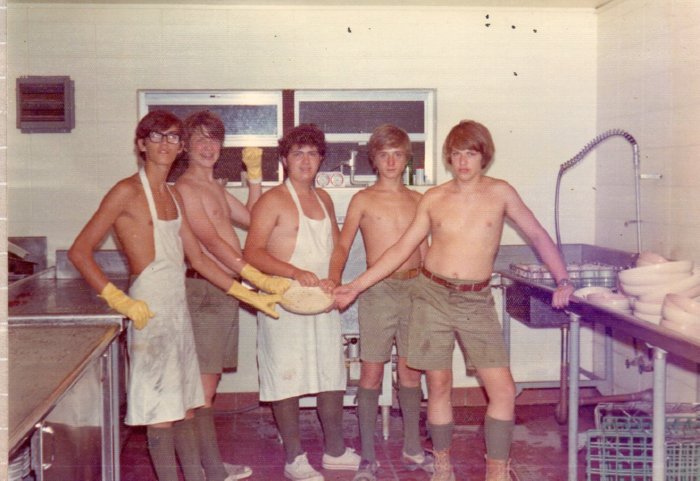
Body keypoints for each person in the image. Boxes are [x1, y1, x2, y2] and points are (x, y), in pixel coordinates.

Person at [334, 120, 575, 481]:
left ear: (484, 157)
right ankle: (442, 465)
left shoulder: (501, 193)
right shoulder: (434, 198)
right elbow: (400, 249)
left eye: (471, 153)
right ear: (449, 157)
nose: (463, 161)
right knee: (439, 384)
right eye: (457, 153)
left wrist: (563, 279)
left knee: (503, 389)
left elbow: (538, 235)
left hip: (475, 301)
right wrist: (355, 287)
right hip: (431, 296)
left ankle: (497, 470)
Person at [68, 110, 282, 481]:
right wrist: (119, 300)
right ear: (141, 144)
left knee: (186, 404)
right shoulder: (126, 191)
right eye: (156, 136)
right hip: (148, 307)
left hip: (177, 306)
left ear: (180, 146)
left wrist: (249, 294)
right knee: (159, 411)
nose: (165, 144)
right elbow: (79, 252)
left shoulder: (172, 195)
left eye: (172, 137)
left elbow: (198, 257)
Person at [174, 110, 291, 481]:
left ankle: (208, 466)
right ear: (185, 146)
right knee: (199, 389)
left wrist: (254, 178)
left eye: (214, 139)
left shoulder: (214, 187)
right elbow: (211, 242)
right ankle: (203, 469)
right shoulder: (185, 188)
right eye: (199, 139)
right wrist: (254, 278)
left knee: (206, 387)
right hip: (205, 291)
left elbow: (254, 219)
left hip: (223, 291)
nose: (208, 146)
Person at [243, 124, 361, 481]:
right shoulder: (272, 200)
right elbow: (252, 253)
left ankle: (335, 450)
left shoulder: (324, 198)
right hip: (283, 300)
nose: (306, 161)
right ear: (284, 160)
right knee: (286, 375)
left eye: (312, 154)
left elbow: (338, 248)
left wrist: (334, 279)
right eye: (298, 154)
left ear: (321, 159)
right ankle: (294, 457)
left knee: (331, 372)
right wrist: (294, 272)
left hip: (320, 299)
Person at [328, 124, 431, 481]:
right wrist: (335, 279)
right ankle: (368, 458)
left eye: (397, 154)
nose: (390, 161)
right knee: (371, 371)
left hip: (415, 289)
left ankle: (413, 447)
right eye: (384, 154)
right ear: (373, 159)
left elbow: (425, 251)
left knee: (410, 370)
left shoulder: (418, 200)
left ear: (407, 159)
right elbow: (342, 246)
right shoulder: (363, 199)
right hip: (377, 292)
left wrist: (433, 291)